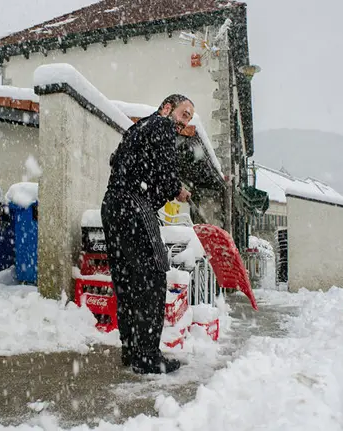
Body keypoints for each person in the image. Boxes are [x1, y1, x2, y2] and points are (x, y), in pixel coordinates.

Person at [101, 94, 194, 374]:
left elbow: (115, 160)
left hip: (112, 205)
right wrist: (177, 189)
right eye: (183, 113)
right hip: (135, 205)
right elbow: (166, 173)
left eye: (189, 118)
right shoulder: (162, 125)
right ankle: (148, 355)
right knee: (153, 277)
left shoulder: (136, 129)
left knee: (127, 280)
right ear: (166, 109)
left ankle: (131, 350)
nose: (184, 122)